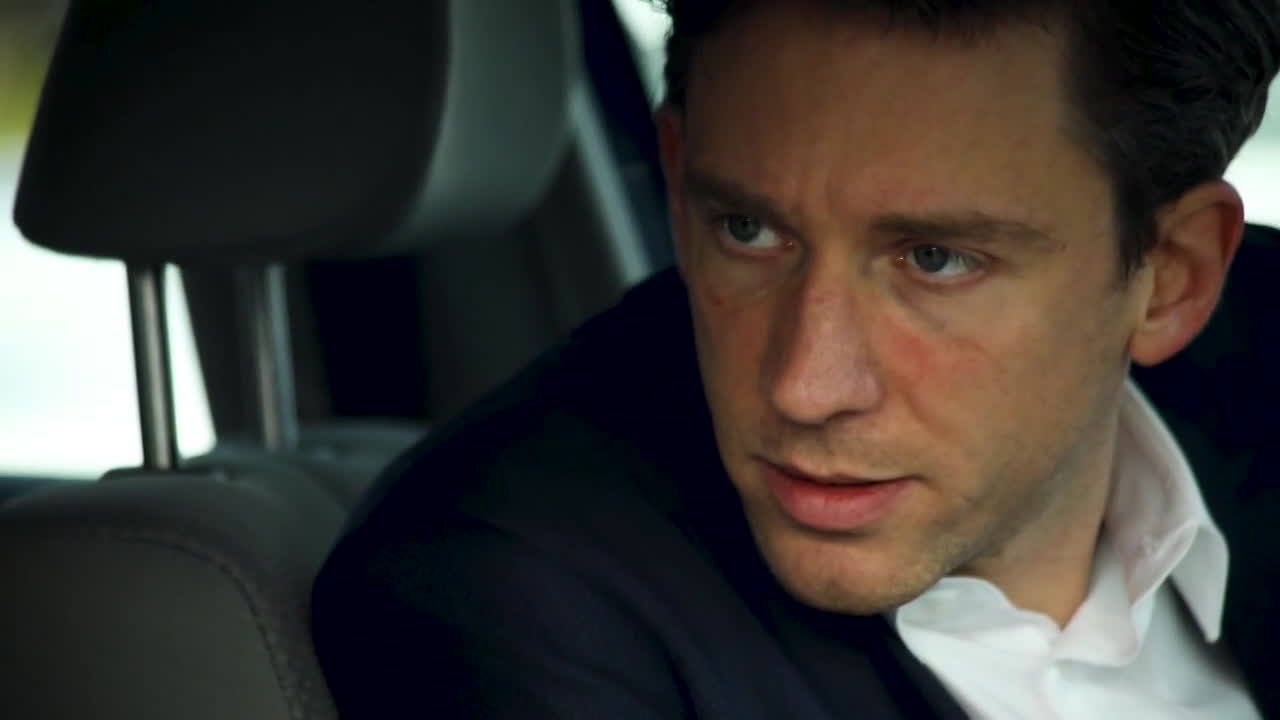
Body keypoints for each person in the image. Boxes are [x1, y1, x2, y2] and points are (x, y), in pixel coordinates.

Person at [312, 1, 1280, 717]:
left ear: (1172, 277)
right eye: (746, 230)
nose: (802, 387)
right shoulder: (506, 593)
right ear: (678, 180)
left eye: (934, 260)